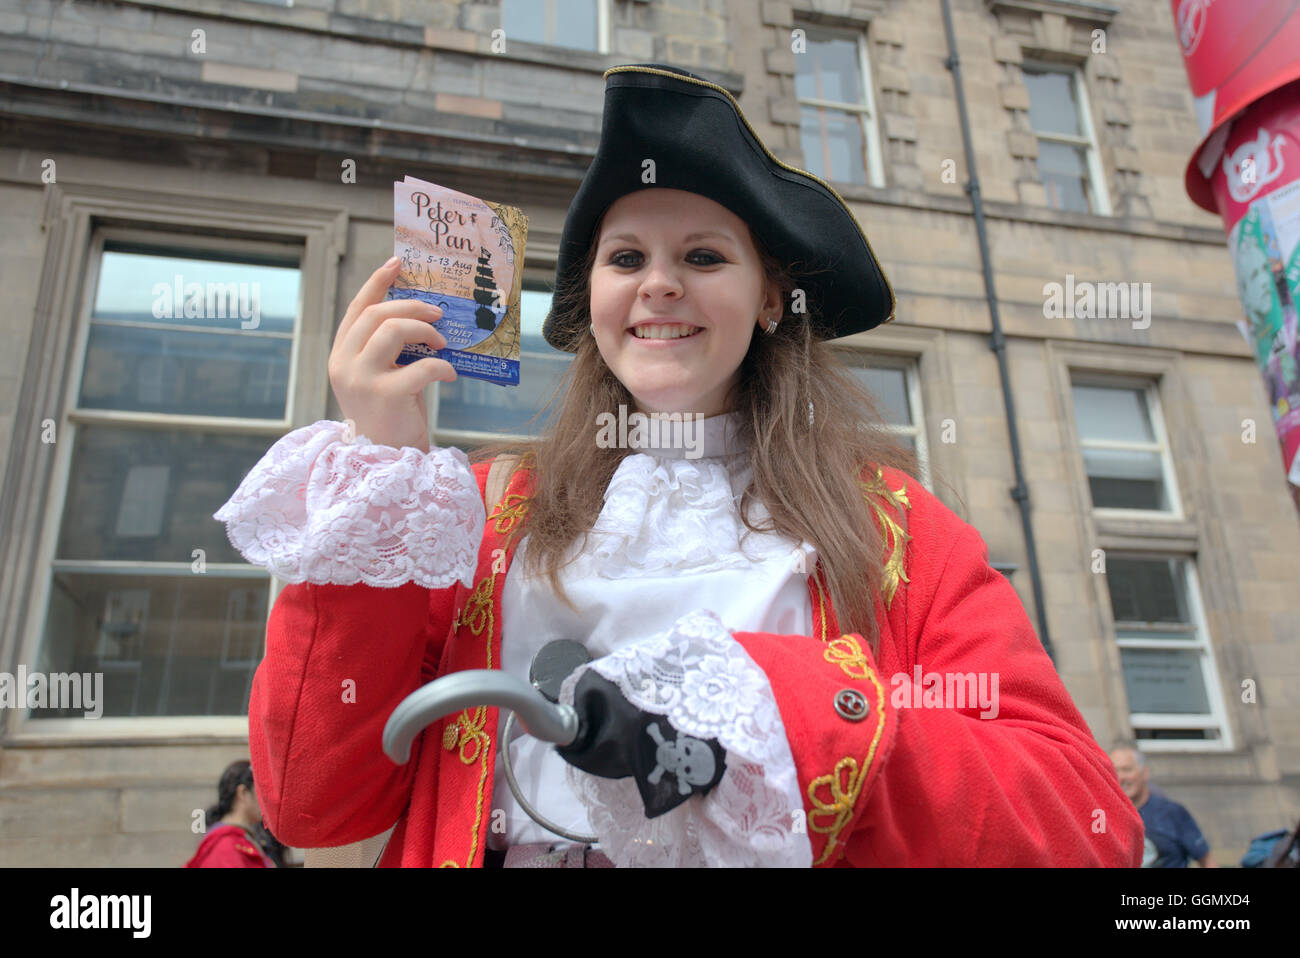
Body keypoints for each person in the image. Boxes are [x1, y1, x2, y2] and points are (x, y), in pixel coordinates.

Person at [215, 63, 1143, 867]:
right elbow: (312, 803)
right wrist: (380, 462)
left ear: (770, 298)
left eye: (702, 255)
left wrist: (781, 710)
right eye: (628, 257)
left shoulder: (894, 527)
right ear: (595, 301)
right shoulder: (479, 513)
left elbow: (1085, 826)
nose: (660, 283)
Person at [1110, 744, 1216, 868]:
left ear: (1144, 773)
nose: (1121, 777)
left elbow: (1207, 861)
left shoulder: (1172, 812)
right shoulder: (1105, 818)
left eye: (1127, 770)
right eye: (1114, 771)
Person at [184, 760, 277, 868]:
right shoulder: (226, 845)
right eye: (261, 792)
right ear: (242, 793)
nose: (266, 801)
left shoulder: (240, 839)